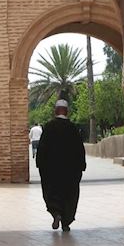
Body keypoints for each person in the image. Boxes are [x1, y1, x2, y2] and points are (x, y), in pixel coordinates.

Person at [36, 98, 86, 232]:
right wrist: (81, 165)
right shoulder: (73, 128)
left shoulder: (49, 127)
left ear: (55, 111)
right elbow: (79, 148)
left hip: (51, 170)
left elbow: (42, 148)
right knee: (70, 194)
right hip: (70, 171)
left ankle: (55, 212)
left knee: (52, 192)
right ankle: (66, 222)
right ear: (67, 112)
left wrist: (40, 164)